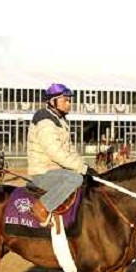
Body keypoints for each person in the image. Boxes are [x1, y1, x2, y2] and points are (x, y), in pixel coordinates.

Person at [27, 83, 97, 226]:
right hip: (43, 173)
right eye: (65, 100)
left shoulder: (60, 121)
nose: (69, 104)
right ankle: (41, 207)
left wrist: (84, 166)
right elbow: (56, 153)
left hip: (58, 172)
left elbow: (70, 150)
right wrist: (81, 169)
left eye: (69, 100)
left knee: (85, 179)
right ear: (52, 102)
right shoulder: (45, 120)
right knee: (75, 179)